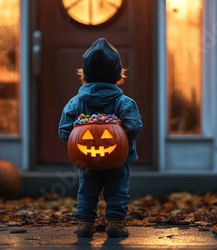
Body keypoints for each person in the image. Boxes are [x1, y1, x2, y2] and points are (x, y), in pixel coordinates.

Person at [58, 38, 143, 238]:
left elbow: (64, 131)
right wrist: (117, 135)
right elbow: (134, 127)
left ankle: (85, 223)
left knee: (87, 190)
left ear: (84, 75)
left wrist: (80, 137)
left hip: (87, 160)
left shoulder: (75, 103)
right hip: (117, 159)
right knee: (118, 190)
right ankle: (115, 222)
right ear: (118, 75)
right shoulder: (125, 103)